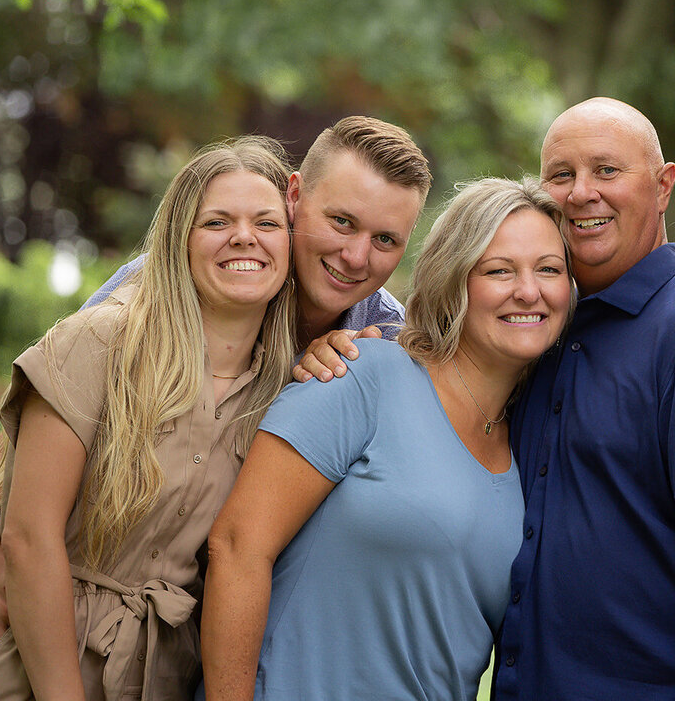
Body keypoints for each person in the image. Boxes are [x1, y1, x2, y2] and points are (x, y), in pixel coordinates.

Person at [200, 178, 573, 700]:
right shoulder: (361, 373)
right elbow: (238, 548)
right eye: (499, 270)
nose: (529, 291)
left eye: (549, 270)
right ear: (454, 279)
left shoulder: (531, 446)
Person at [492, 98, 675, 701]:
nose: (581, 193)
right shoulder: (541, 330)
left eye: (607, 171)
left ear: (664, 185)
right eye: (561, 175)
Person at [0, 137, 296, 699]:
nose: (243, 237)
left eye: (267, 223)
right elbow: (28, 539)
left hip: (169, 678)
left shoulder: (285, 393)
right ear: (179, 240)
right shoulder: (99, 342)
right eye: (216, 222)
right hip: (44, 671)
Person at [84, 115, 431, 354]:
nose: (356, 258)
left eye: (385, 239)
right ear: (294, 196)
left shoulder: (387, 340)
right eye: (342, 221)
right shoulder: (168, 280)